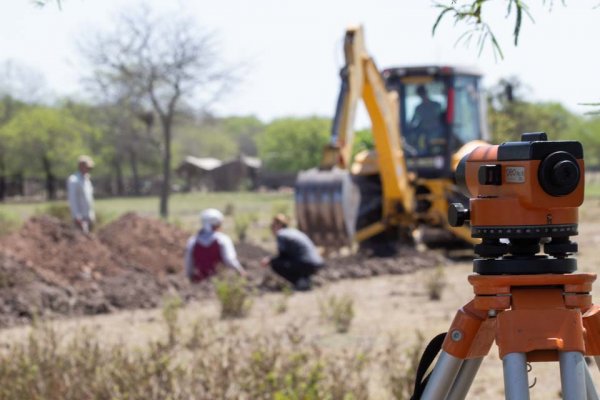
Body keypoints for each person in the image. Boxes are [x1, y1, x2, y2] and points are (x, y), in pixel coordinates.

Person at [261, 214, 324, 291]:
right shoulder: (294, 231)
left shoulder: (281, 234)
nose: (271, 229)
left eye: (273, 226)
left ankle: (301, 282)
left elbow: (283, 255)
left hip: (307, 264)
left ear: (278, 225)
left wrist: (270, 260)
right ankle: (307, 279)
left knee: (276, 263)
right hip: (317, 262)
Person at [184, 208, 246, 283]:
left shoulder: (192, 241)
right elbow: (230, 260)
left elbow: (188, 264)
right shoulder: (222, 239)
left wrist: (190, 277)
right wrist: (240, 271)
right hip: (219, 281)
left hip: (199, 282)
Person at [409, 85, 444, 153]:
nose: (422, 96)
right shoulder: (418, 108)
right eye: (421, 94)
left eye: (423, 93)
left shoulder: (437, 105)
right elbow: (413, 121)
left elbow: (442, 119)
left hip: (437, 132)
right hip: (424, 133)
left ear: (426, 93)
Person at [67, 155, 95, 233]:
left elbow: (89, 199)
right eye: (87, 167)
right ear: (81, 166)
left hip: (88, 216)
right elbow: (73, 199)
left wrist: (91, 214)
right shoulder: (74, 180)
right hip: (80, 217)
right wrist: (77, 216)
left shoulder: (87, 180)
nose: (89, 170)